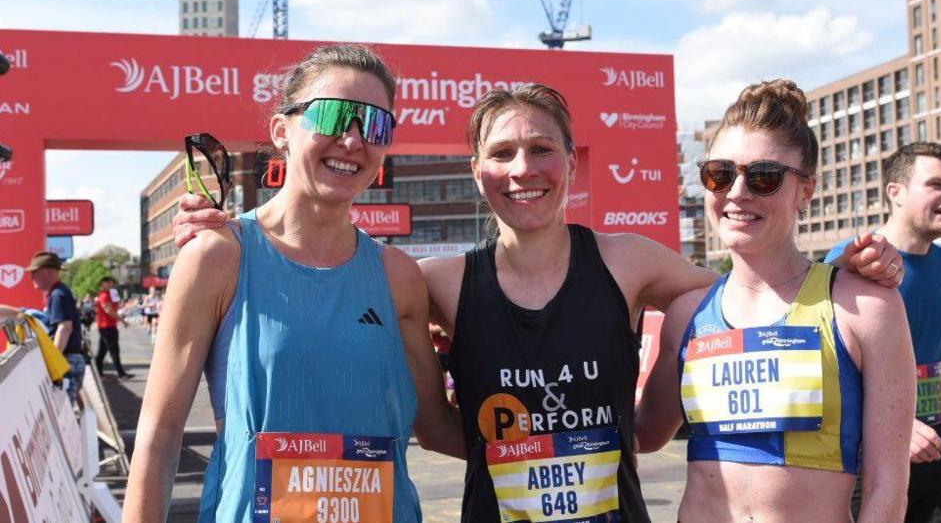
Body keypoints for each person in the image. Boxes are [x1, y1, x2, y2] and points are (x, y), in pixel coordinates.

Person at [174, 83, 903, 522]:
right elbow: (320, 271)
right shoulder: (435, 281)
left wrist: (847, 265)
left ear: (571, 161)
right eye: (502, 153)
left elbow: (758, 292)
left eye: (542, 150)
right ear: (477, 171)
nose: (523, 170)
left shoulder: (628, 262)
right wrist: (236, 236)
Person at [123, 45, 464, 522]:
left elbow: (440, 429)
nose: (352, 139)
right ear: (281, 131)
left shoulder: (398, 275)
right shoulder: (217, 257)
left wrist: (589, 434)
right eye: (333, 115)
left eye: (375, 124)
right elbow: (159, 439)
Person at [636, 80, 916, 522]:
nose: (737, 192)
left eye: (764, 176)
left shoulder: (864, 305)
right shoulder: (687, 312)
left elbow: (887, 488)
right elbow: (643, 434)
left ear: (806, 190)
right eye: (720, 174)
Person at [825, 142, 941, 522]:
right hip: (867, 457)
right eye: (935, 185)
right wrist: (897, 424)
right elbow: (826, 368)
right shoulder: (849, 262)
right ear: (894, 193)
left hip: (940, 441)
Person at [26, 251, 85, 406]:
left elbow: (65, 328)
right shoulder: (59, 293)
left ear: (48, 272)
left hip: (67, 361)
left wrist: (53, 361)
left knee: (64, 414)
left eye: (34, 272)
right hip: (70, 360)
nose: (31, 277)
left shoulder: (58, 294)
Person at [94, 276, 132, 379]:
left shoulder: (109, 294)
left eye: (112, 282)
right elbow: (108, 310)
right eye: (109, 282)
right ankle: (121, 373)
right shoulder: (104, 296)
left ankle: (98, 373)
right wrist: (122, 320)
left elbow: (114, 307)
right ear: (103, 283)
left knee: (102, 351)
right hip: (107, 327)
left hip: (108, 326)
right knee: (114, 350)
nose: (111, 284)